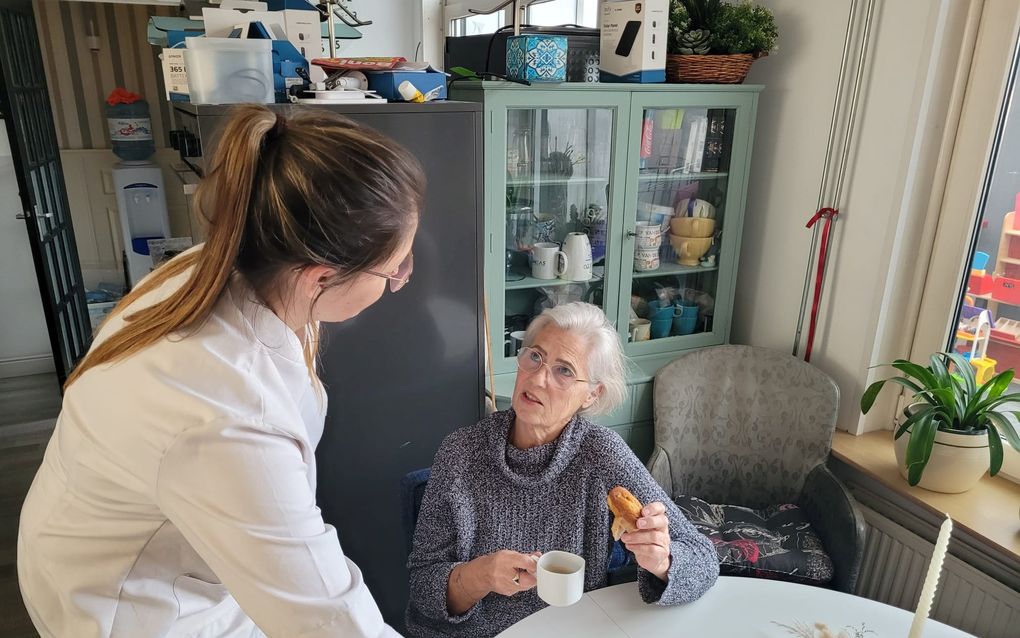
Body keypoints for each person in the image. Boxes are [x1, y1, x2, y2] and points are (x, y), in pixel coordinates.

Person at [18, 105, 424, 638]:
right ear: (319, 277)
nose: (401, 278)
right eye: (395, 269)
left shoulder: (229, 264)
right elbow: (329, 620)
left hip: (140, 546)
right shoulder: (226, 418)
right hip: (134, 604)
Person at [406, 302, 719, 638]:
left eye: (564, 370)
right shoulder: (461, 453)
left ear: (592, 394)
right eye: (535, 357)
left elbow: (703, 559)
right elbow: (422, 588)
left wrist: (662, 562)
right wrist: (478, 576)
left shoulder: (601, 454)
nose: (539, 378)